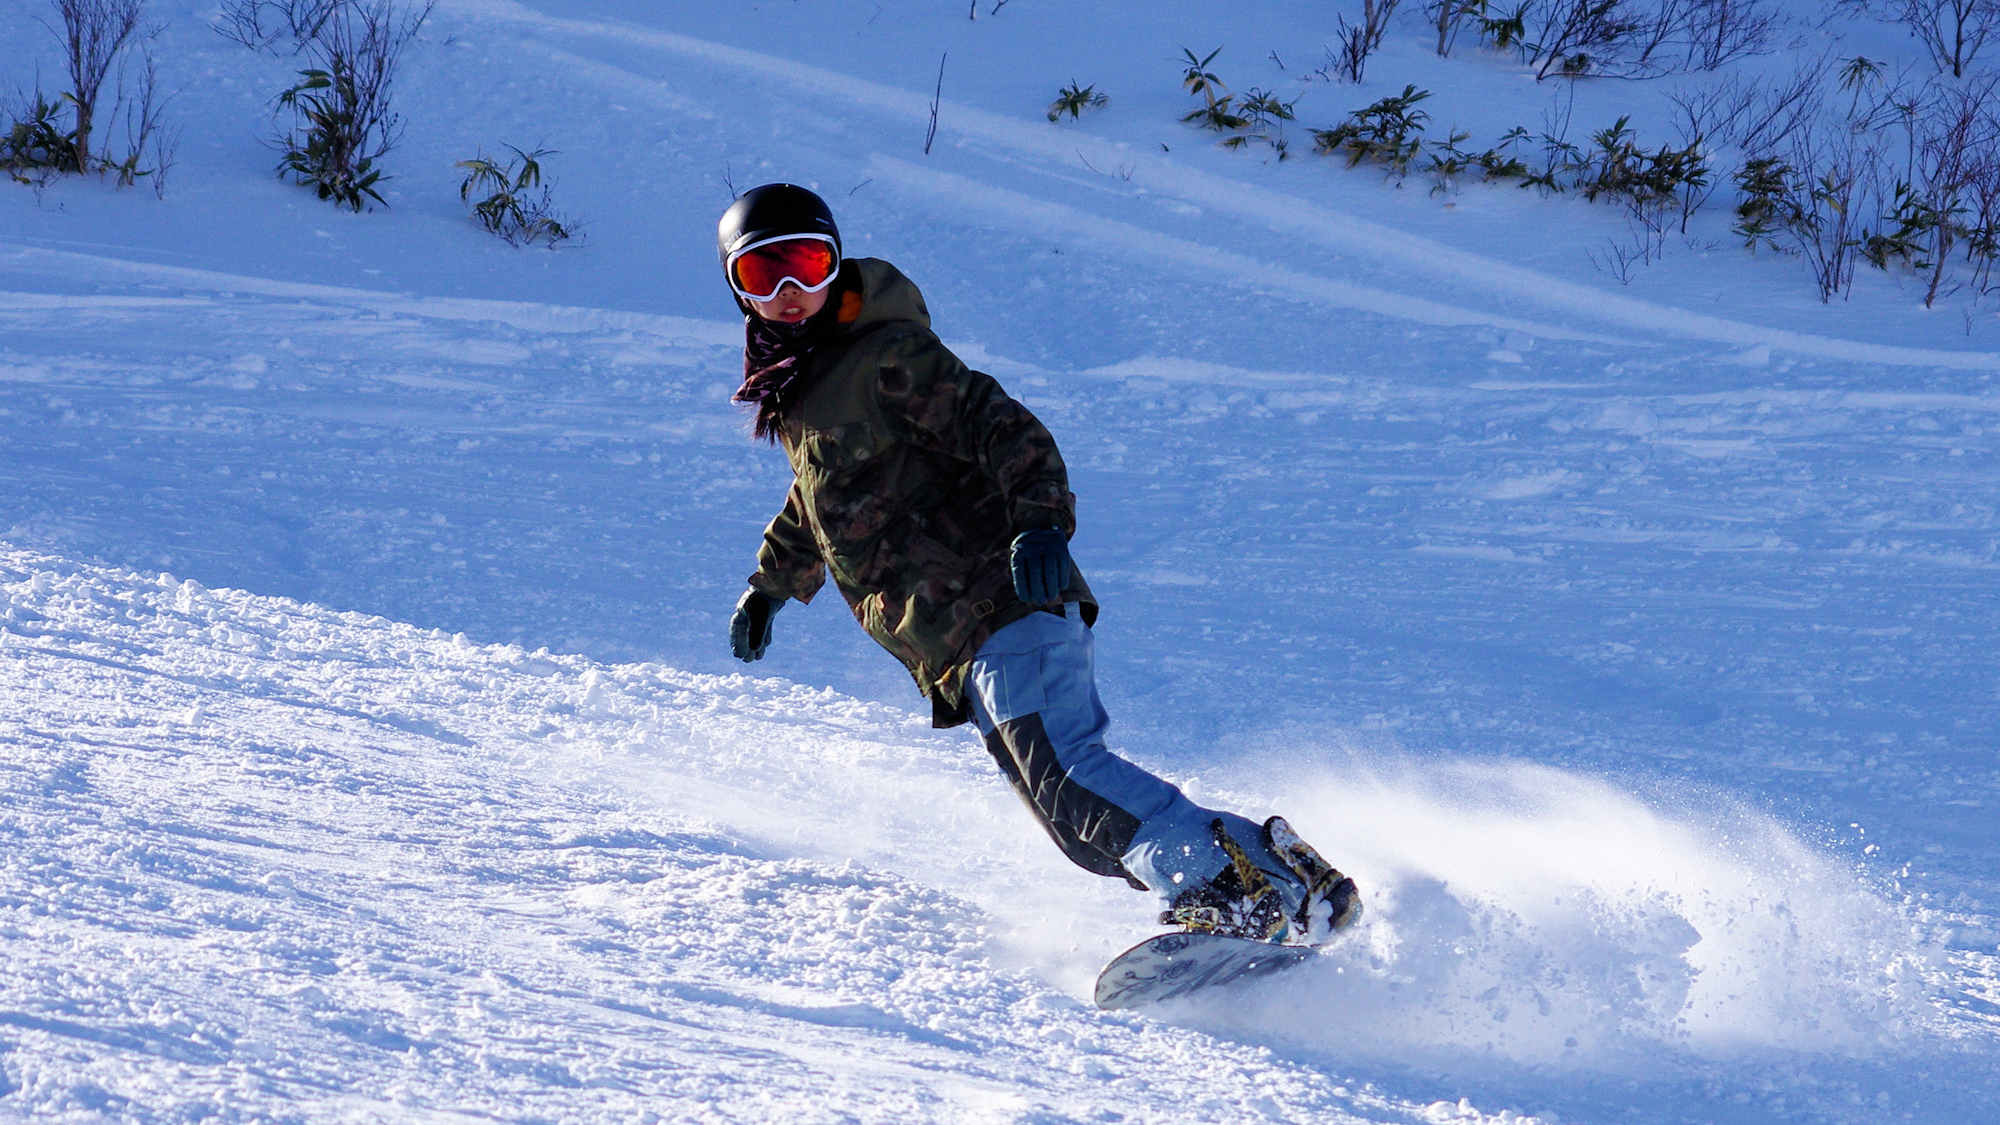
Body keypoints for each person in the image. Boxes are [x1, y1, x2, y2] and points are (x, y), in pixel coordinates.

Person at [718, 184, 1359, 946]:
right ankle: (1277, 870)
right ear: (739, 291)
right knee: (1075, 821)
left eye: (808, 265)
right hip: (958, 637)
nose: (791, 293)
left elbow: (1006, 430)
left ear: (837, 266)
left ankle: (1232, 883)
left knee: (1072, 776)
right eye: (766, 275)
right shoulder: (810, 391)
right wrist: (771, 586)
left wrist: (1041, 526)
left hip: (1004, 596)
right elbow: (819, 500)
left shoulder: (887, 358)